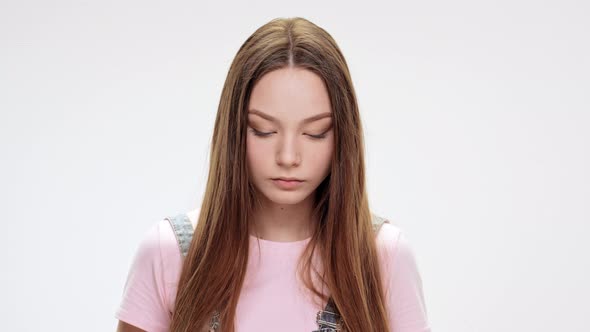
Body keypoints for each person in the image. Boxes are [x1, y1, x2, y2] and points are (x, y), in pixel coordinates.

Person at [114, 17, 431, 332]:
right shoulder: (169, 253)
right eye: (263, 131)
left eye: (316, 133)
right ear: (235, 131)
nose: (289, 157)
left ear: (343, 137)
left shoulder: (384, 257)